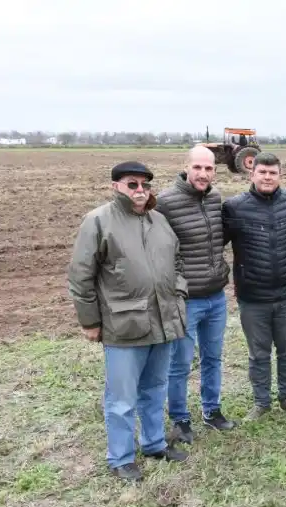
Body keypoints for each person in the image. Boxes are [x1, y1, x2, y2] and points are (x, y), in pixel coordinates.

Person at [67, 161, 189, 482]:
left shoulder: (159, 221)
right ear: (116, 186)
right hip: (124, 326)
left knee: (155, 388)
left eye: (145, 185)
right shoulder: (97, 221)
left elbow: (176, 261)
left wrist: (179, 292)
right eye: (132, 184)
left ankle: (154, 444)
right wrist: (90, 322)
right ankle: (120, 458)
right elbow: (81, 276)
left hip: (163, 322)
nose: (140, 191)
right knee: (121, 398)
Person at [222, 153, 286, 420]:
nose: (267, 177)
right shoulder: (234, 207)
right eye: (262, 172)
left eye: (273, 173)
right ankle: (261, 402)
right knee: (258, 353)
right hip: (253, 296)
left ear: (280, 175)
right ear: (252, 174)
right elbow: (215, 243)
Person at [155, 146, 235, 444]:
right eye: (198, 167)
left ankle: (212, 411)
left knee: (213, 357)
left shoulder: (215, 198)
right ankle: (180, 419)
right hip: (186, 300)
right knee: (180, 363)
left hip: (216, 296)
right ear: (186, 167)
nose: (203, 174)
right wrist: (176, 287)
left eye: (209, 168)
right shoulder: (165, 203)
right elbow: (159, 250)